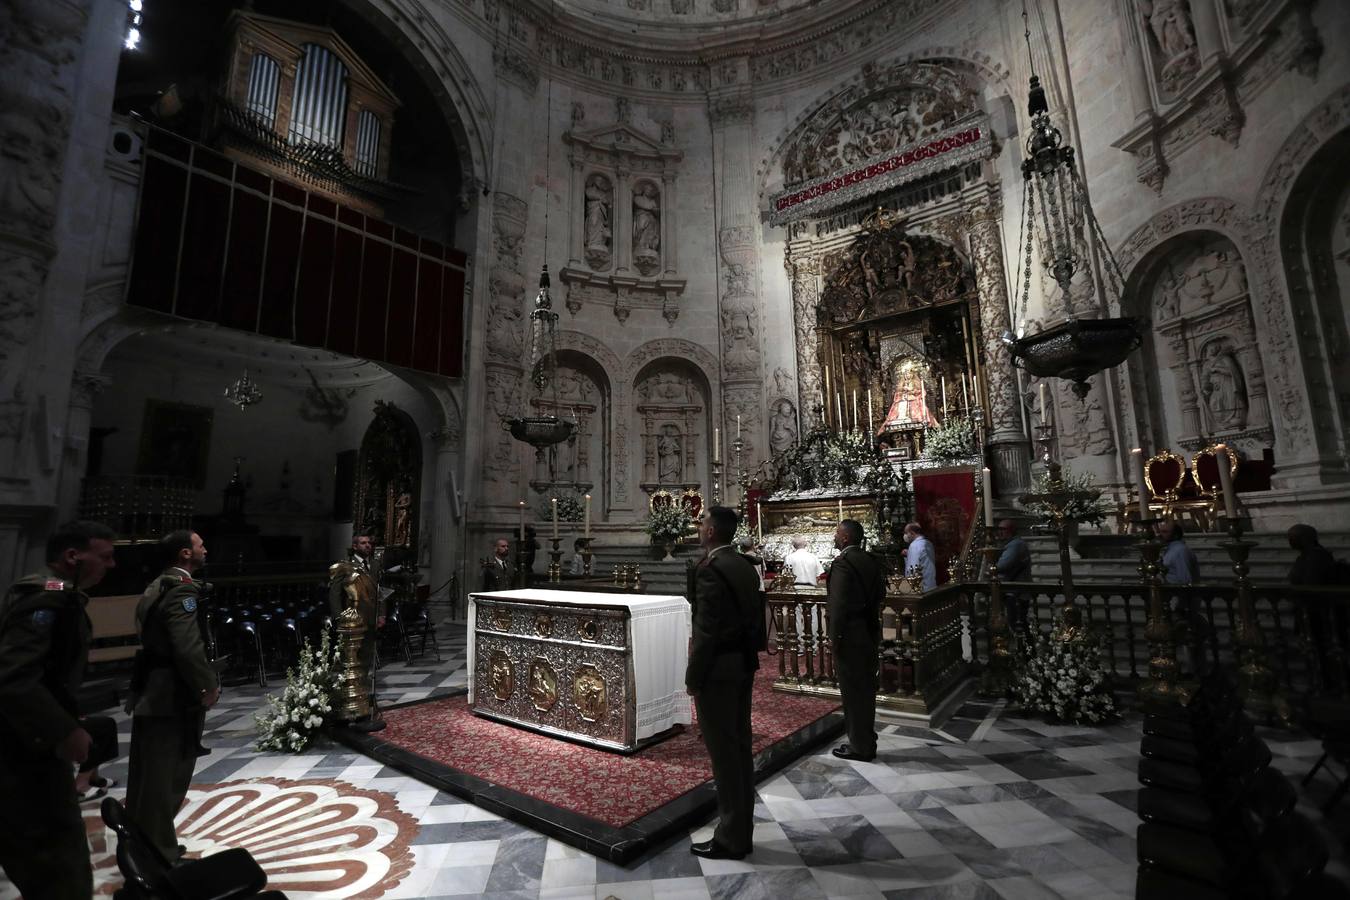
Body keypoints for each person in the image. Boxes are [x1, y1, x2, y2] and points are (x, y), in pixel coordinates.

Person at [0, 520, 116, 899]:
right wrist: (63, 731)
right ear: (73, 556)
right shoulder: (48, 597)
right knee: (56, 864)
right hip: (22, 752)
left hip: (29, 743)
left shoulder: (55, 594)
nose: (111, 565)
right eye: (105, 556)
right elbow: (15, 678)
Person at [126, 529, 220, 863]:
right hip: (171, 694)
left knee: (147, 775)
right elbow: (187, 646)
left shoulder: (159, 584)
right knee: (165, 777)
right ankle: (158, 852)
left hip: (153, 689)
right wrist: (206, 685)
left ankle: (141, 843)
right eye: (200, 545)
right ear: (184, 554)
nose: (205, 549)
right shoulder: (181, 590)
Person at [686, 506, 760, 860]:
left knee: (724, 755)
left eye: (702, 523)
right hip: (743, 664)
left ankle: (731, 837)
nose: (699, 528)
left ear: (712, 531)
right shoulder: (745, 566)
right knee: (740, 748)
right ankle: (742, 828)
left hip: (717, 670)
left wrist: (693, 677)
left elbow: (705, 632)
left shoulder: (710, 570)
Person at [827, 519, 885, 762]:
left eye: (837, 533)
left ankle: (859, 745)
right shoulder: (871, 560)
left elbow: (838, 604)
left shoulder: (843, 564)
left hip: (850, 634)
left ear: (846, 538)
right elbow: (881, 593)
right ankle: (866, 739)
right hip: (869, 630)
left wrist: (834, 637)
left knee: (852, 693)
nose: (835, 537)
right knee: (866, 690)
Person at [329, 529, 383, 696]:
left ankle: (363, 688)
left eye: (369, 543)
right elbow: (335, 593)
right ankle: (348, 688)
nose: (368, 546)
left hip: (371, 616)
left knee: (367, 653)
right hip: (353, 617)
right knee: (351, 655)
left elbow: (380, 592)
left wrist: (382, 614)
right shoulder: (345, 566)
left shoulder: (374, 565)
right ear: (354, 546)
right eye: (363, 543)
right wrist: (339, 617)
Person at [995, 519, 1033, 631]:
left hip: (1017, 593)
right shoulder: (1012, 544)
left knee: (1018, 624)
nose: (999, 532)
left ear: (1011, 530)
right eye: (999, 529)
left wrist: (990, 568)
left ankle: (1026, 647)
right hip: (1015, 592)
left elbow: (1002, 566)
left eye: (1003, 529)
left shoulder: (1015, 545)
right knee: (1016, 623)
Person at [1159, 519, 1200, 585]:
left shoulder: (1180, 551)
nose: (1160, 535)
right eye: (1160, 532)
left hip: (1178, 592)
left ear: (1176, 535)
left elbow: (1185, 579)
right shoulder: (1171, 549)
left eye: (1165, 532)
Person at [902, 522, 937, 591]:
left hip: (921, 587)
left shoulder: (914, 546)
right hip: (931, 585)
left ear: (912, 533)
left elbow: (912, 570)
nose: (905, 536)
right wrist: (908, 555)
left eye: (906, 533)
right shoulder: (928, 543)